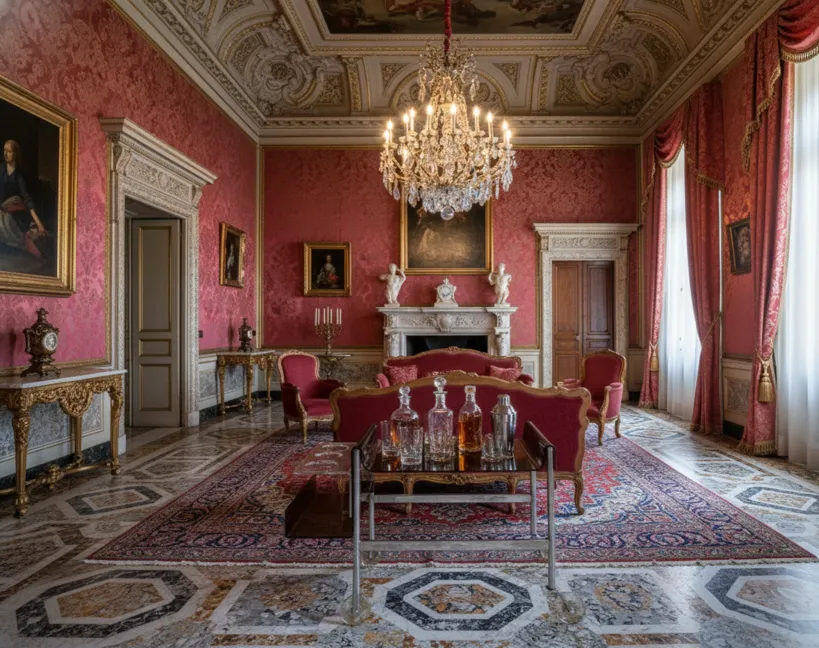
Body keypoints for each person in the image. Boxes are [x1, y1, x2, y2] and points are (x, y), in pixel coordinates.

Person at [0, 139, 48, 260]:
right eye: (4, 151)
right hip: (2, 208)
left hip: (17, 212)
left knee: (6, 219)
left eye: (9, 151)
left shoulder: (19, 175)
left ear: (15, 154)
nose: (6, 154)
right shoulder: (1, 170)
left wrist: (39, 223)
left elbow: (27, 199)